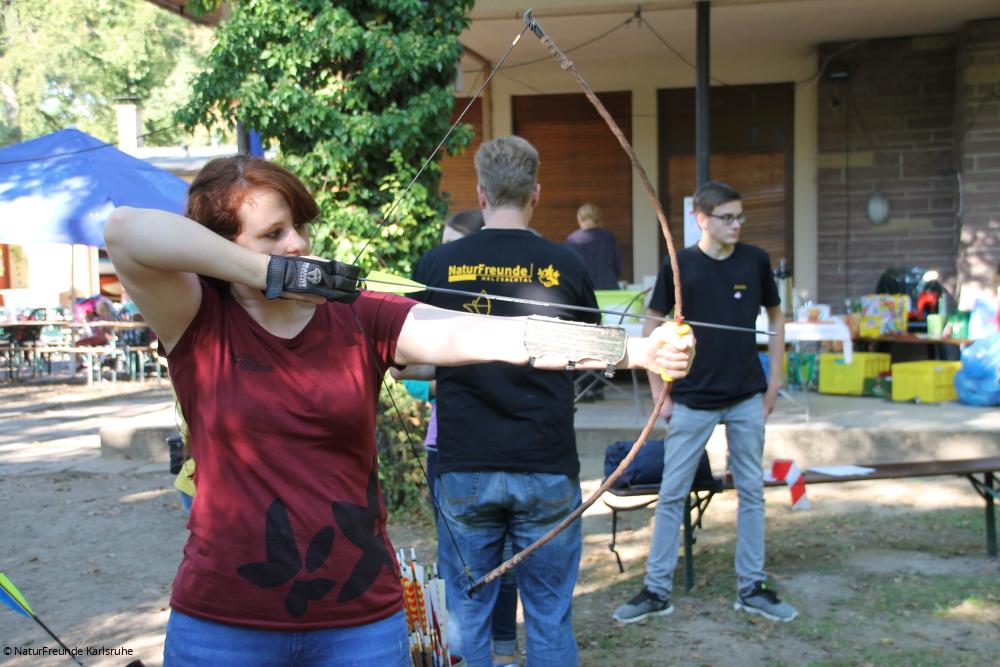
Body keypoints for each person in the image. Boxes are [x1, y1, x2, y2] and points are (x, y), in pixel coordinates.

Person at [103, 154, 694, 667]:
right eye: (273, 234)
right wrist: (270, 275)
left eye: (299, 227)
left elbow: (500, 335)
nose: (298, 245)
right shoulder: (197, 319)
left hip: (359, 620)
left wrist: (635, 350)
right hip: (224, 620)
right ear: (224, 249)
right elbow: (124, 230)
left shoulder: (359, 316)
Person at [412, 136, 657, 667]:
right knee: (548, 616)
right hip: (544, 465)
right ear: (536, 194)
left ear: (481, 193)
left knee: (466, 616)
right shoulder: (564, 264)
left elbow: (404, 357)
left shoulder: (437, 263)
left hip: (466, 466)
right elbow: (594, 353)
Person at [612, 180, 797, 625]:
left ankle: (751, 586)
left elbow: (776, 316)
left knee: (751, 492)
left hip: (747, 395)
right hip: (692, 399)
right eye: (726, 217)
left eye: (740, 217)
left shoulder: (755, 260)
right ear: (701, 219)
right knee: (672, 492)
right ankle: (656, 590)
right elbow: (651, 322)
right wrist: (658, 391)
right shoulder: (680, 265)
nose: (736, 225)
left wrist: (775, 381)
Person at [563, 202, 621, 290]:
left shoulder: (572, 240)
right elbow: (617, 265)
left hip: (582, 289)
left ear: (579, 219)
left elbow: (567, 269)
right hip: (607, 287)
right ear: (598, 218)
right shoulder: (608, 237)